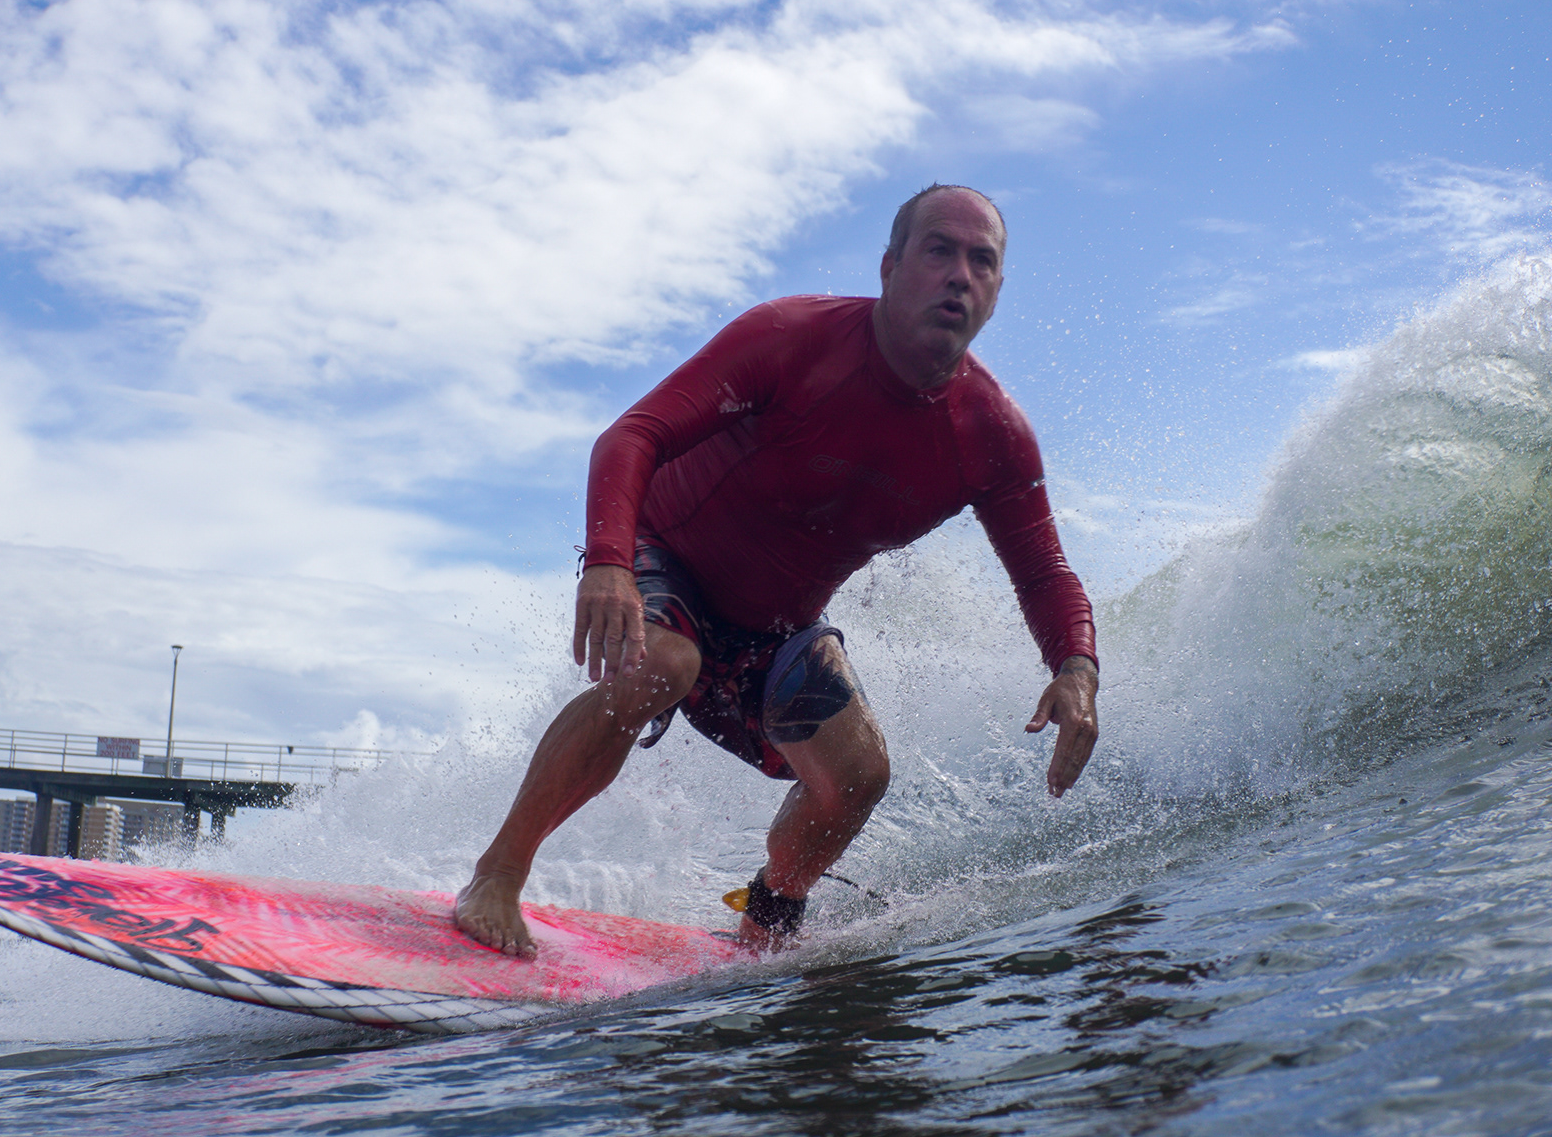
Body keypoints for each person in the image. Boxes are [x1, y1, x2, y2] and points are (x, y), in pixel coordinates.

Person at [454, 184, 1100, 957]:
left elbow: (1044, 573)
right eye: (939, 251)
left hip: (778, 628)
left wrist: (1076, 668)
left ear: (996, 291)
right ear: (890, 267)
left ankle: (767, 921)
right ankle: (497, 876)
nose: (960, 274)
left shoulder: (993, 434)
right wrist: (608, 564)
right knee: (666, 660)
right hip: (668, 557)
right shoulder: (793, 337)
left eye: (982, 261)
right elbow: (632, 436)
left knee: (858, 773)